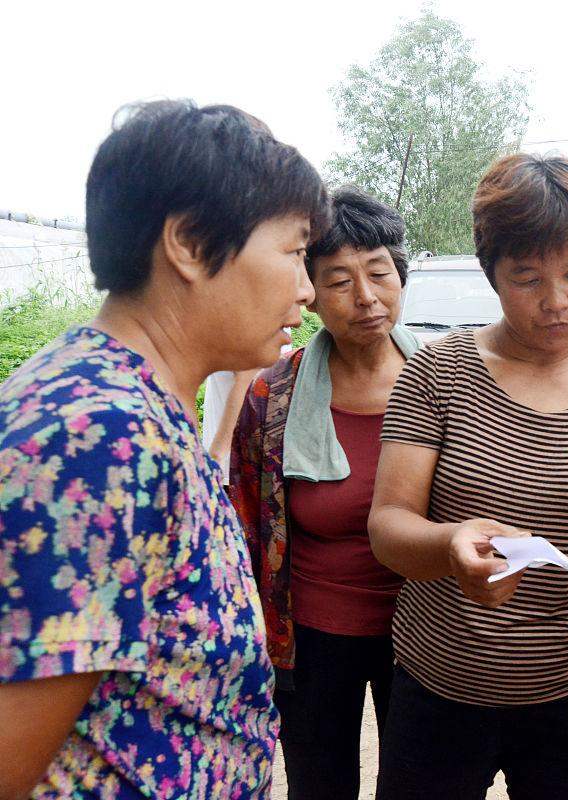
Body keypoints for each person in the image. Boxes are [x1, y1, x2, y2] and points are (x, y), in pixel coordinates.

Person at [0, 99, 328, 799]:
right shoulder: (101, 438)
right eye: (296, 251)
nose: (307, 289)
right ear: (186, 242)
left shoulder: (141, 406)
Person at [368, 152, 568, 800]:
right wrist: (450, 548)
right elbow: (388, 528)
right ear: (492, 275)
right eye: (528, 276)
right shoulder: (436, 373)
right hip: (438, 689)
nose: (557, 301)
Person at [228, 185, 418, 799]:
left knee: (420, 782)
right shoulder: (271, 397)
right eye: (338, 280)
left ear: (400, 275)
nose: (365, 298)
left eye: (379, 273)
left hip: (421, 630)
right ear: (309, 292)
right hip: (311, 635)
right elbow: (245, 522)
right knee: (318, 784)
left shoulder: (450, 383)